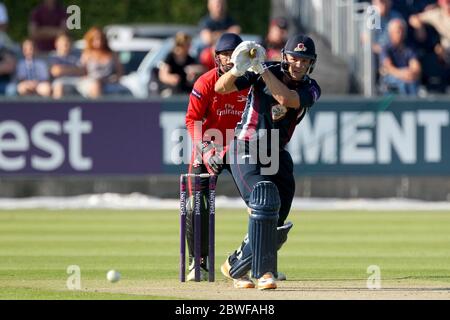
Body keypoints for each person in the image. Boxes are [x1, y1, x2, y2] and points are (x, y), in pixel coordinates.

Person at [214, 34, 321, 290]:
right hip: (245, 147)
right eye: (294, 58)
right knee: (264, 199)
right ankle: (264, 273)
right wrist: (240, 69)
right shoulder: (265, 69)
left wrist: (260, 69)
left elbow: (287, 99)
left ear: (310, 64)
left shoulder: (312, 88)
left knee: (278, 219)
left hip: (276, 153)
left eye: (304, 60)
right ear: (285, 57)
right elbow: (221, 88)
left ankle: (235, 264)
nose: (298, 64)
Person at [184, 33, 251, 284]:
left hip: (239, 149)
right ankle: (198, 263)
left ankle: (260, 262)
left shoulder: (250, 82)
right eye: (226, 55)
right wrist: (205, 148)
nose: (230, 60)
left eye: (235, 55)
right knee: (195, 204)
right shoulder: (205, 82)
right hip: (208, 148)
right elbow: (192, 119)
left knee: (261, 201)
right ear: (217, 58)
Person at [409, 0, 450, 91]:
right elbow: (414, 18)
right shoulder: (436, 15)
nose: (448, 5)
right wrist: (419, 27)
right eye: (446, 2)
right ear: (440, 4)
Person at [77, 26, 126, 99]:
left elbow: (120, 72)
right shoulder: (87, 54)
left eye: (101, 39)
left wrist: (114, 79)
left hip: (109, 82)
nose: (99, 41)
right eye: (96, 39)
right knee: (96, 85)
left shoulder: (113, 54)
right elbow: (81, 72)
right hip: (91, 82)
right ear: (91, 40)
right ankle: (98, 108)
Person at [379, 19, 421, 95]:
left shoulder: (409, 48)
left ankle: (414, 105)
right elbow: (388, 67)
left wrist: (411, 73)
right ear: (391, 33)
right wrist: (402, 74)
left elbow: (416, 66)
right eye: (398, 31)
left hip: (408, 76)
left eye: (403, 31)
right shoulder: (385, 48)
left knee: (412, 82)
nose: (401, 34)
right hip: (392, 77)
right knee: (403, 84)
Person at [158, 32, 204, 97]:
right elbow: (163, 76)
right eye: (187, 45)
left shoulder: (190, 59)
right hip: (171, 91)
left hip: (186, 91)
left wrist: (194, 73)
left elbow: (202, 69)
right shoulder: (169, 57)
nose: (189, 47)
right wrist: (172, 78)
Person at [48, 33, 84, 99]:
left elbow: (83, 71)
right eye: (62, 42)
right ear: (56, 44)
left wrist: (64, 70)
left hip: (79, 81)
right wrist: (75, 70)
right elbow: (56, 71)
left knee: (94, 86)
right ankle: (58, 109)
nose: (65, 44)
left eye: (67, 41)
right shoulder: (53, 55)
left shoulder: (78, 54)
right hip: (61, 81)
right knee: (58, 87)